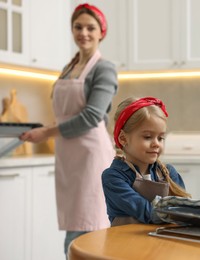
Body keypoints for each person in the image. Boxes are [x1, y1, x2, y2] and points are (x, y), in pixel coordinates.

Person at [19, 3, 117, 256]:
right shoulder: (68, 68)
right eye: (78, 26)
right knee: (74, 224)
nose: (83, 32)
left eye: (90, 27)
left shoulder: (104, 68)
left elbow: (93, 116)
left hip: (90, 158)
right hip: (68, 156)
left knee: (88, 225)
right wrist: (44, 129)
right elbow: (67, 115)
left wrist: (47, 133)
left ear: (101, 32)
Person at [102, 97, 191, 226]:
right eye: (147, 137)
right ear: (123, 138)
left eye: (160, 138)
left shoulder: (168, 172)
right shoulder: (113, 177)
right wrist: (185, 212)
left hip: (164, 243)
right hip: (125, 245)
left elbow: (183, 210)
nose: (156, 144)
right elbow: (147, 212)